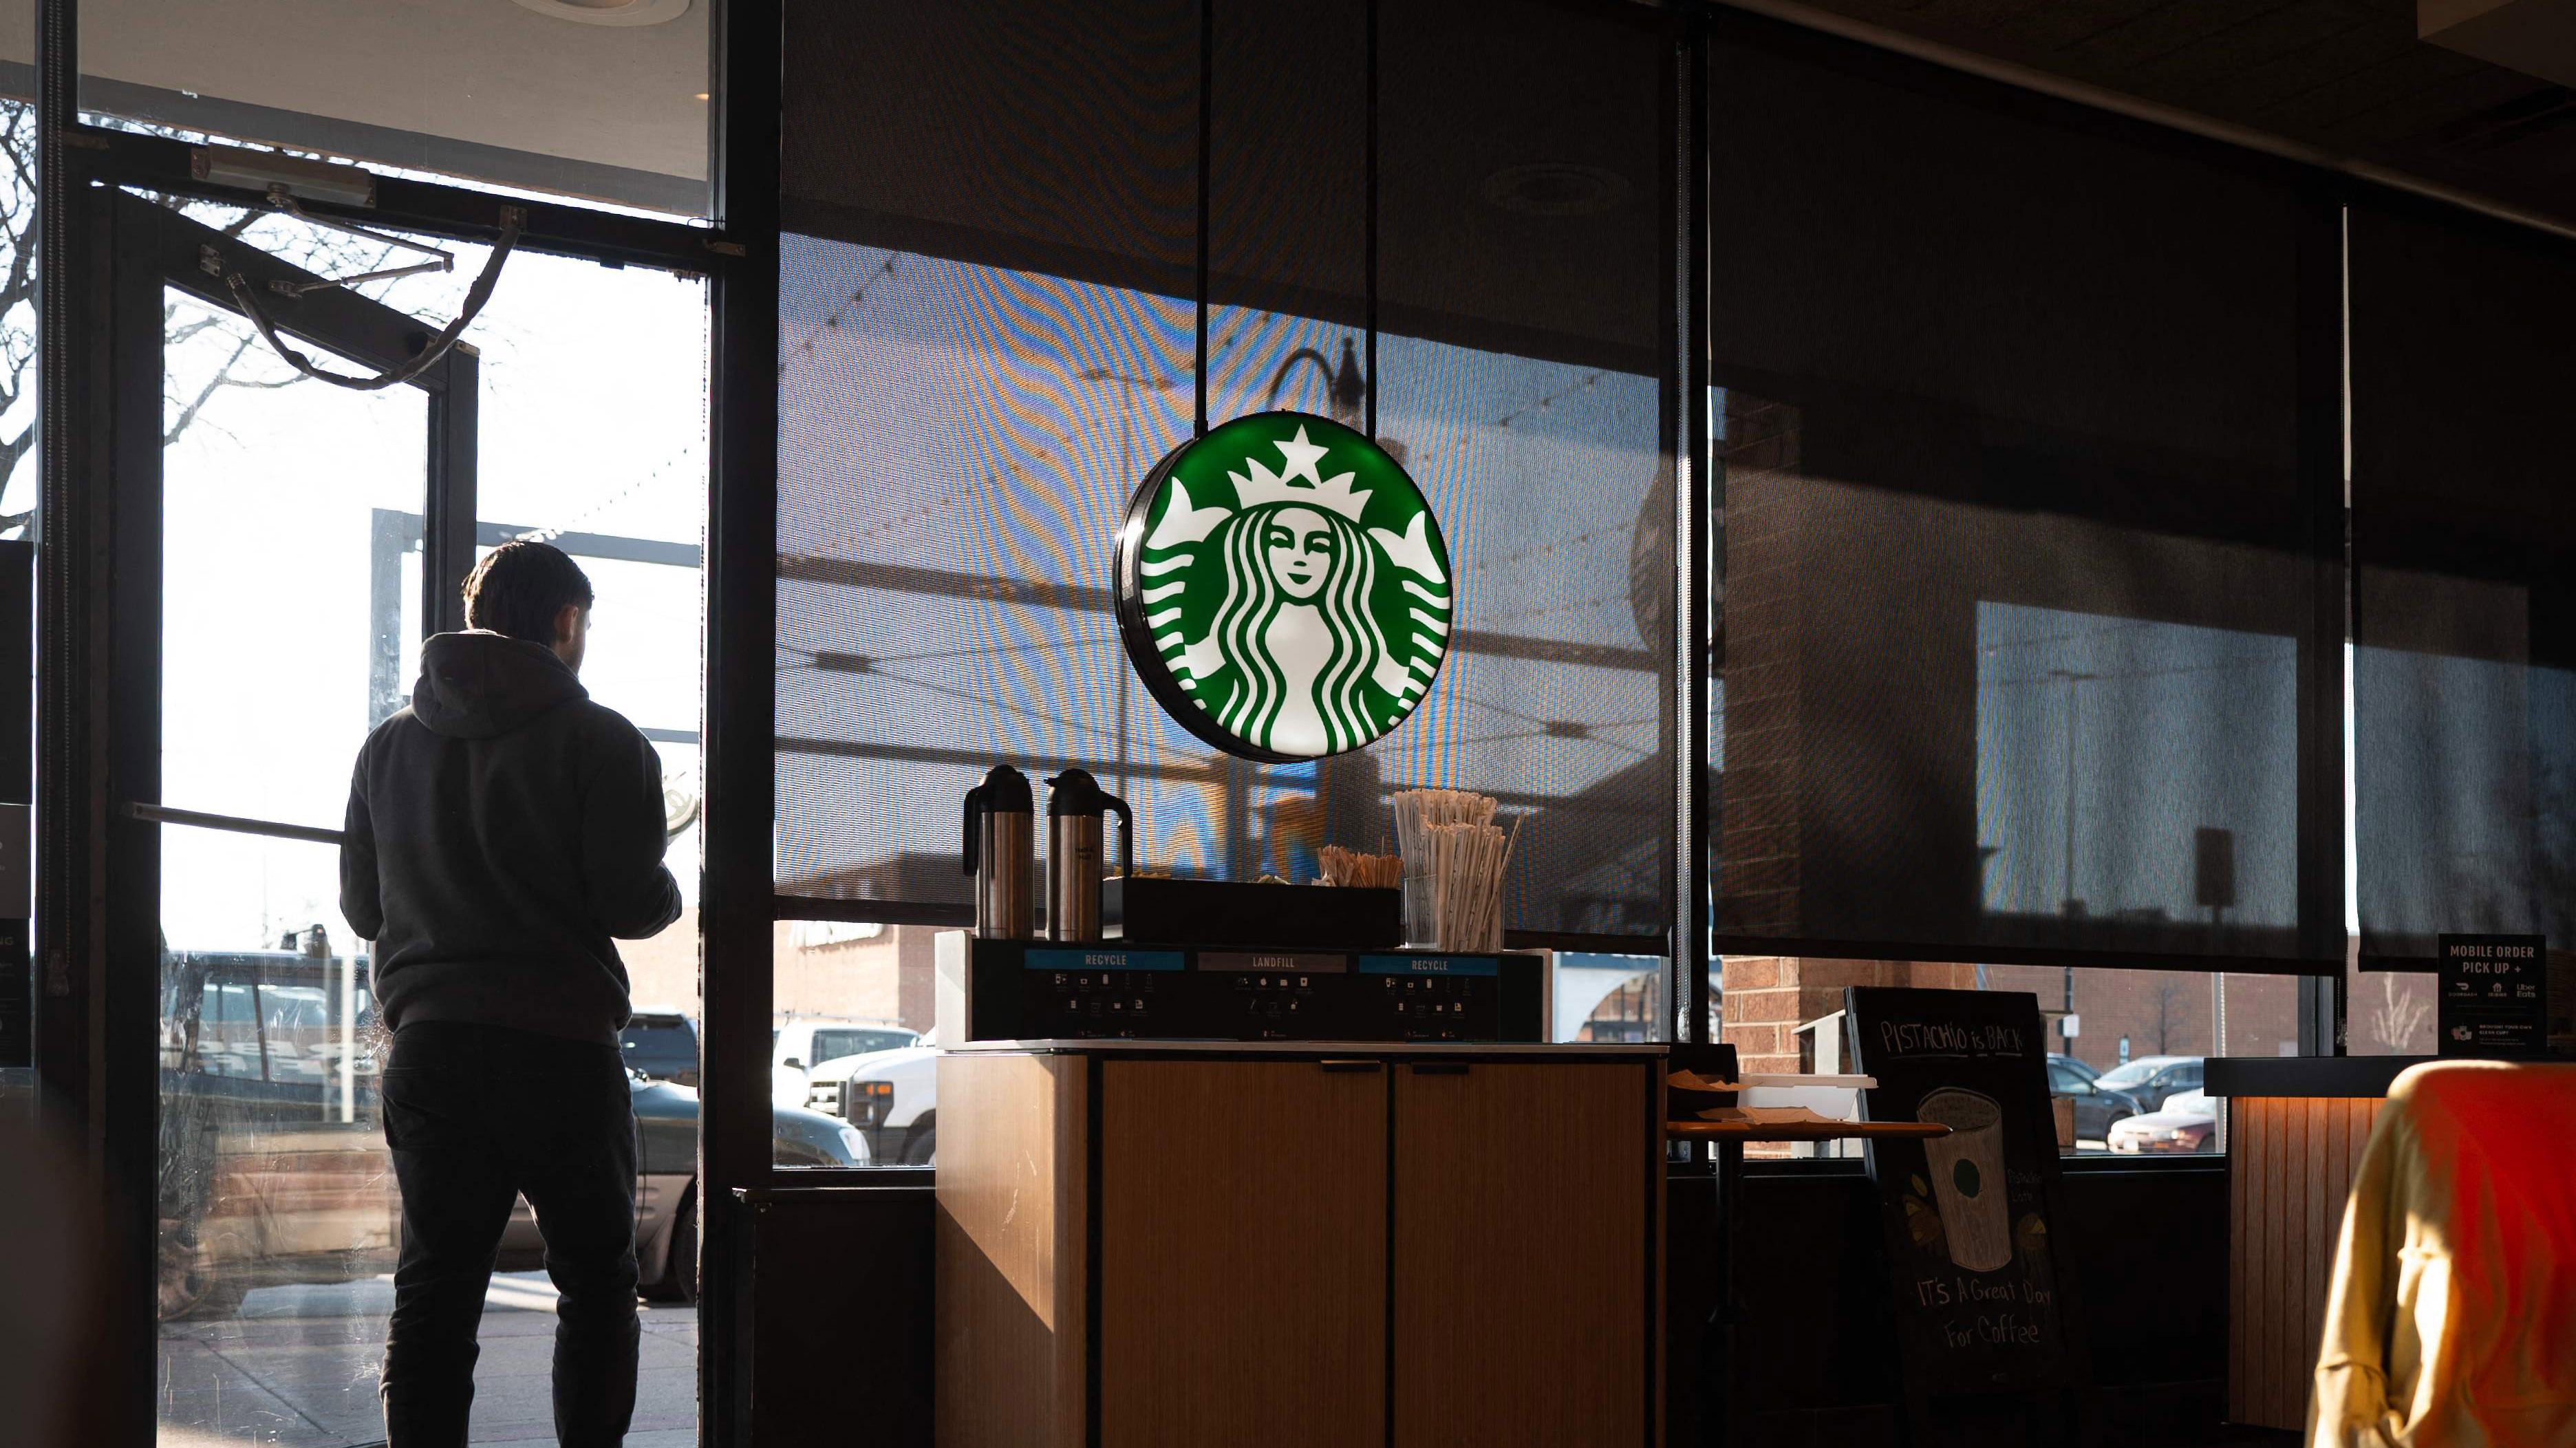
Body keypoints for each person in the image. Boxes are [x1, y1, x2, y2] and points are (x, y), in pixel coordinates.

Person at [342, 540, 683, 1447]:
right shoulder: (603, 740)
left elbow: (362, 909)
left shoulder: (386, 749)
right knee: (597, 1286)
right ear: (567, 622)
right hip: (560, 1051)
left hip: (433, 1050)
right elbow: (630, 902)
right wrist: (671, 883)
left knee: (435, 1293)